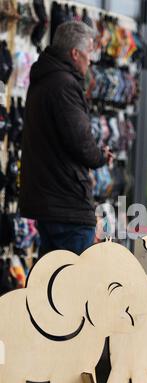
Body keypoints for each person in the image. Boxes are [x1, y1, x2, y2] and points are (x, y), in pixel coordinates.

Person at [20, 21, 113, 256]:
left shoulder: (44, 80)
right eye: (88, 53)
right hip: (67, 203)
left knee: (48, 282)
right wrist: (101, 155)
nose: (90, 61)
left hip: (48, 199)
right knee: (74, 285)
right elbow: (81, 143)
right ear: (75, 53)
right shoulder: (64, 86)